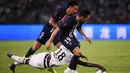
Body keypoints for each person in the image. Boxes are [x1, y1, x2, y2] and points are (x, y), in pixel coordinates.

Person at [46, 9, 100, 73]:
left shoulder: (79, 21)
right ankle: (70, 70)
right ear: (83, 17)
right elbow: (56, 30)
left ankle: (70, 69)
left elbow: (79, 29)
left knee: (77, 50)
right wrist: (50, 42)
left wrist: (86, 37)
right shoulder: (69, 20)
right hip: (63, 37)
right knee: (77, 53)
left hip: (71, 36)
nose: (87, 20)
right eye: (87, 18)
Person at [7, 46, 106, 73]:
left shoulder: (65, 46)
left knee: (27, 60)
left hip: (45, 55)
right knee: (26, 61)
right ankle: (11, 56)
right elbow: (84, 64)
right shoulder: (71, 58)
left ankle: (13, 64)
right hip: (44, 64)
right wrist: (98, 65)